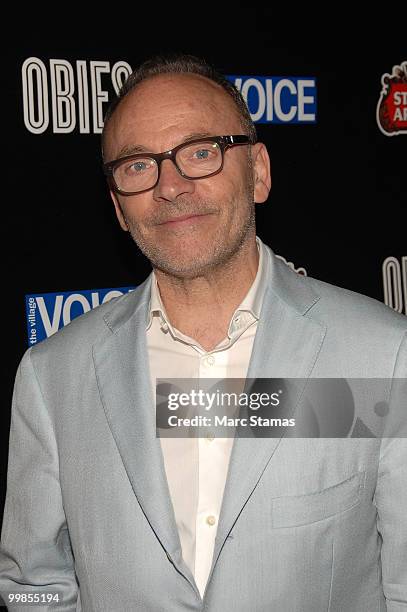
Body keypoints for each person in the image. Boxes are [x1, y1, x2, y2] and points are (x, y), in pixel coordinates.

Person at [0, 54, 406, 611]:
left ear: (258, 171)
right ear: (118, 206)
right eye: (138, 165)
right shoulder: (53, 377)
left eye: (200, 152)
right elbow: (33, 588)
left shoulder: (380, 354)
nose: (170, 186)